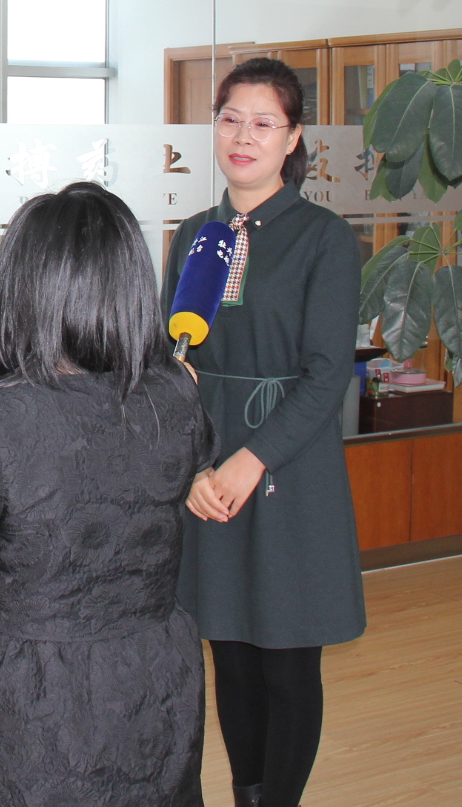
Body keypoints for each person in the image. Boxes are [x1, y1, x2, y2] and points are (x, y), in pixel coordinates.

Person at [0, 181, 215, 806]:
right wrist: (171, 374)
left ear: (21, 290)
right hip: (153, 680)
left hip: (22, 698)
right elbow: (196, 452)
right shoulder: (175, 397)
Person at [162, 58, 365, 807]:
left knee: (286, 659)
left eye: (263, 123)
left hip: (288, 468)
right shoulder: (194, 236)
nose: (243, 137)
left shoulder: (324, 238)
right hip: (208, 470)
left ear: (293, 138)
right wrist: (192, 468)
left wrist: (251, 461)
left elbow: (326, 375)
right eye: (230, 120)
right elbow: (171, 365)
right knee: (233, 655)